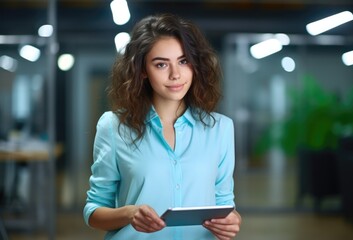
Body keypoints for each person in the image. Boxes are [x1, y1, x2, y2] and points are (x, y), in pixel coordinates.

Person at [83, 13, 242, 240]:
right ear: (143, 71)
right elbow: (93, 211)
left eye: (184, 61)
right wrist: (130, 213)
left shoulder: (221, 129)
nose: (175, 74)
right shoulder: (113, 126)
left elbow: (225, 204)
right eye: (161, 64)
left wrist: (232, 221)